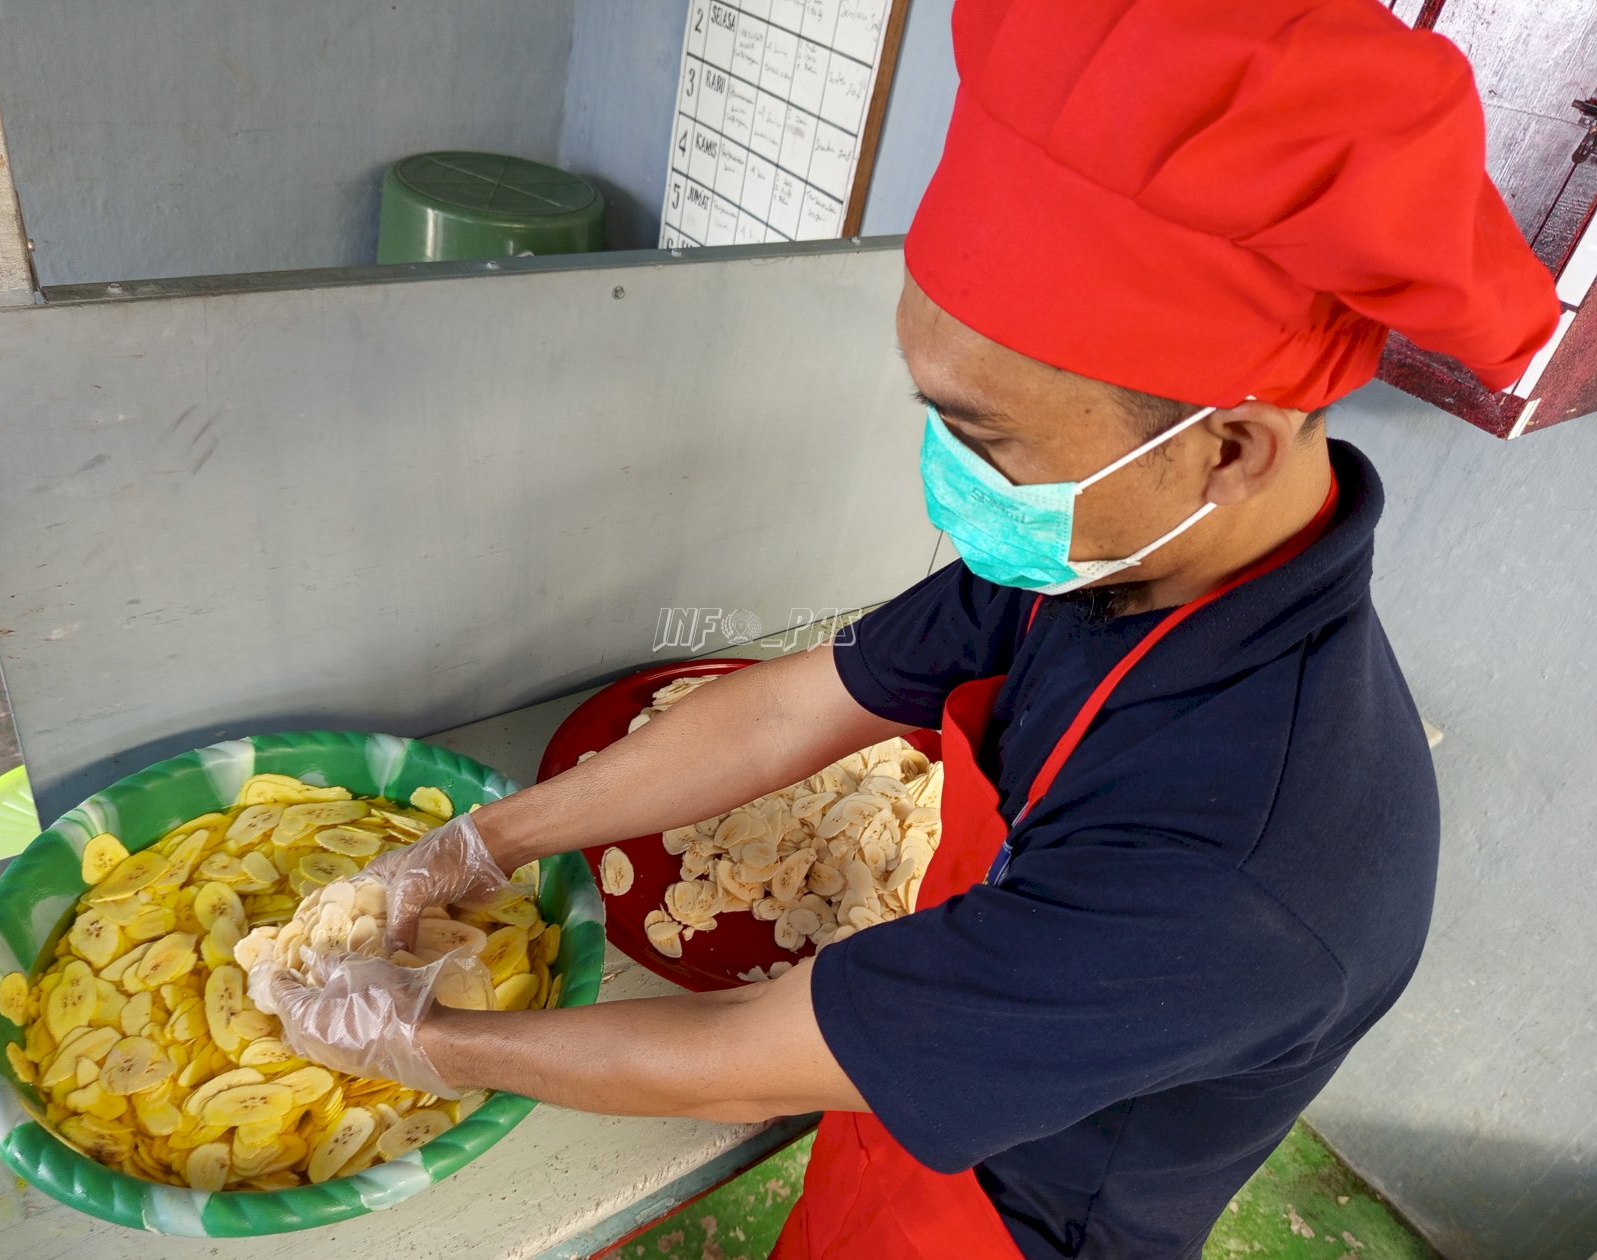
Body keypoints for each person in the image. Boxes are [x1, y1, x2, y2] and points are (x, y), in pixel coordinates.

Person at [256, 0, 1558, 1254]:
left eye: (985, 440)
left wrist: (420, 1038)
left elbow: (731, 1072)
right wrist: (482, 843)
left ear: (1224, 449)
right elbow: (795, 703)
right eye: (937, 414)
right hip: (891, 1088)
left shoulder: (1248, 869)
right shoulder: (1104, 551)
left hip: (1008, 1224)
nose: (952, 479)